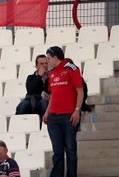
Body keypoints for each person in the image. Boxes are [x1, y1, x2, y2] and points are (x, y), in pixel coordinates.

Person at [43, 46, 84, 177]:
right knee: (57, 151)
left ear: (55, 56)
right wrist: (47, 112)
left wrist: (77, 110)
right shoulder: (52, 73)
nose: (47, 61)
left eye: (49, 58)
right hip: (53, 117)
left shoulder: (71, 69)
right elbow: (53, 95)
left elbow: (80, 91)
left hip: (68, 115)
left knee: (71, 149)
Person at [15, 54, 50, 123]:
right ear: (36, 66)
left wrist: (46, 78)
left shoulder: (51, 77)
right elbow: (30, 90)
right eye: (41, 64)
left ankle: (43, 125)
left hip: (45, 101)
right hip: (31, 101)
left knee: (44, 103)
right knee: (22, 105)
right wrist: (39, 76)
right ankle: (17, 124)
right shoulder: (31, 77)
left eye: (46, 63)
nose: (44, 65)